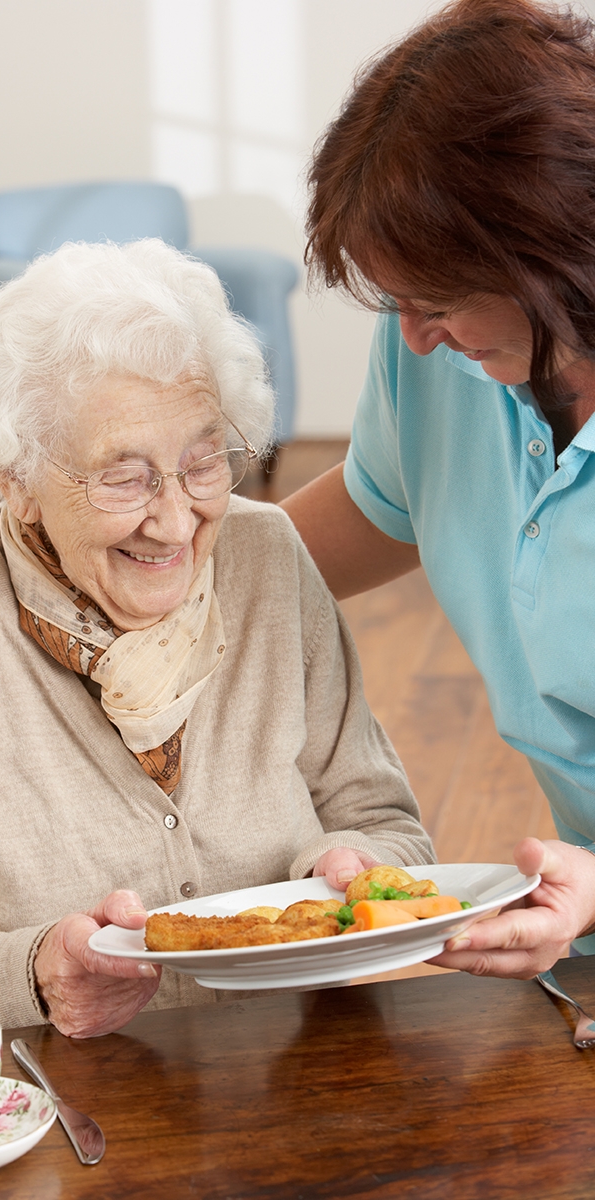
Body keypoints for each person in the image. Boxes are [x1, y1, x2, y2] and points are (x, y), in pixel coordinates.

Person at [0, 238, 433, 1039]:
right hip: (75, 1102)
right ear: (18, 477)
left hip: (300, 1067)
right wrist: (35, 975)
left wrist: (357, 875)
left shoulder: (268, 559)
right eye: (123, 477)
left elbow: (392, 826)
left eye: (202, 464)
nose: (173, 519)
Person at [282, 0, 595, 978]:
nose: (412, 337)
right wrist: (143, 570)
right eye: (394, 302)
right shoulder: (441, 353)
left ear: (551, 259)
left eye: (437, 303)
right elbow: (382, 509)